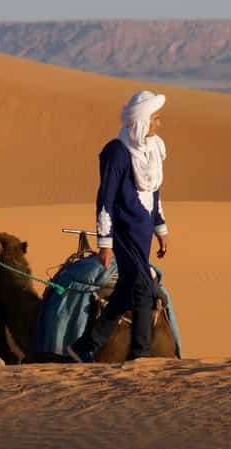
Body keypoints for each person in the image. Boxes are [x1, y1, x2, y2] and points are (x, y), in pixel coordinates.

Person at [67, 90, 170, 363]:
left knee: (125, 289)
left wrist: (161, 229)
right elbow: (106, 198)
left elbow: (154, 191)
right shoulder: (117, 152)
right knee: (143, 289)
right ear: (142, 120)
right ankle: (141, 354)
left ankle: (85, 346)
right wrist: (104, 242)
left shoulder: (153, 149)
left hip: (144, 232)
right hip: (124, 233)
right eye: (155, 118)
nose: (159, 124)